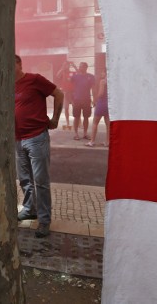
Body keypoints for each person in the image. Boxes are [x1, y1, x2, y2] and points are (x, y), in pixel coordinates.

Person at [14, 55, 64, 238]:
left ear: (19, 64)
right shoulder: (6, 85)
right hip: (17, 139)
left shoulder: (34, 79)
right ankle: (29, 209)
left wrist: (55, 119)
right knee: (25, 179)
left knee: (41, 181)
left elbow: (59, 94)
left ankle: (44, 220)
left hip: (36, 137)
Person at [70, 62, 95, 140]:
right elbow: (70, 88)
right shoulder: (75, 77)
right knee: (76, 117)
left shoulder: (91, 77)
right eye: (80, 67)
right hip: (77, 99)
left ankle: (85, 133)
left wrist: (94, 99)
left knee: (86, 117)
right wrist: (71, 100)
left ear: (86, 67)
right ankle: (76, 134)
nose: (81, 68)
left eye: (83, 67)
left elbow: (93, 88)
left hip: (87, 100)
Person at [86, 70, 110, 147]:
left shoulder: (103, 81)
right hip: (108, 103)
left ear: (105, 73)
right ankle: (107, 142)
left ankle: (92, 141)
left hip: (102, 103)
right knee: (108, 124)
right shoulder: (112, 81)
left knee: (95, 122)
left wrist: (95, 100)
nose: (101, 73)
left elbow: (101, 93)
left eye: (102, 72)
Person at [55, 61, 76, 129]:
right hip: (65, 92)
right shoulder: (62, 73)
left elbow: (78, 74)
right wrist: (62, 67)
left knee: (75, 107)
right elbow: (57, 75)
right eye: (65, 65)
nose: (66, 66)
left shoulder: (72, 72)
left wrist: (74, 66)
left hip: (72, 92)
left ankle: (78, 121)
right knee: (66, 108)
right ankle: (68, 123)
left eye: (67, 65)